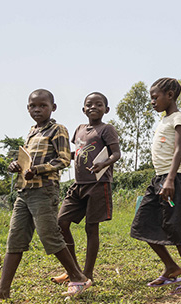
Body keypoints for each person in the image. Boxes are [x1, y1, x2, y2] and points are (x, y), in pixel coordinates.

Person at [0, 89, 91, 301]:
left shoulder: (57, 129)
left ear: (53, 107)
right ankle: (2, 291)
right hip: (24, 192)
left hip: (44, 190)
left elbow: (64, 159)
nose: (37, 109)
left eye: (42, 105)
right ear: (28, 108)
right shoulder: (31, 132)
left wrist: (38, 169)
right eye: (32, 106)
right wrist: (16, 165)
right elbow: (27, 159)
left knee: (49, 235)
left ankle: (78, 277)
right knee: (14, 240)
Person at [130, 78, 181, 294]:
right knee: (141, 224)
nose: (152, 102)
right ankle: (171, 267)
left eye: (155, 97)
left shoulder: (178, 118)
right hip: (159, 178)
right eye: (151, 98)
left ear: (170, 95)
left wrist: (170, 179)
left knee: (176, 227)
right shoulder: (163, 120)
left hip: (176, 178)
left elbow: (179, 149)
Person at [52, 92, 121, 284]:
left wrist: (104, 163)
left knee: (91, 228)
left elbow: (116, 154)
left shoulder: (106, 129)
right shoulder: (80, 129)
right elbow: (78, 153)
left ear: (106, 110)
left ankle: (87, 274)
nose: (93, 107)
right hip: (78, 184)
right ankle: (73, 270)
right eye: (89, 105)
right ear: (83, 109)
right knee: (61, 222)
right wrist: (62, 157)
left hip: (98, 184)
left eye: (99, 105)